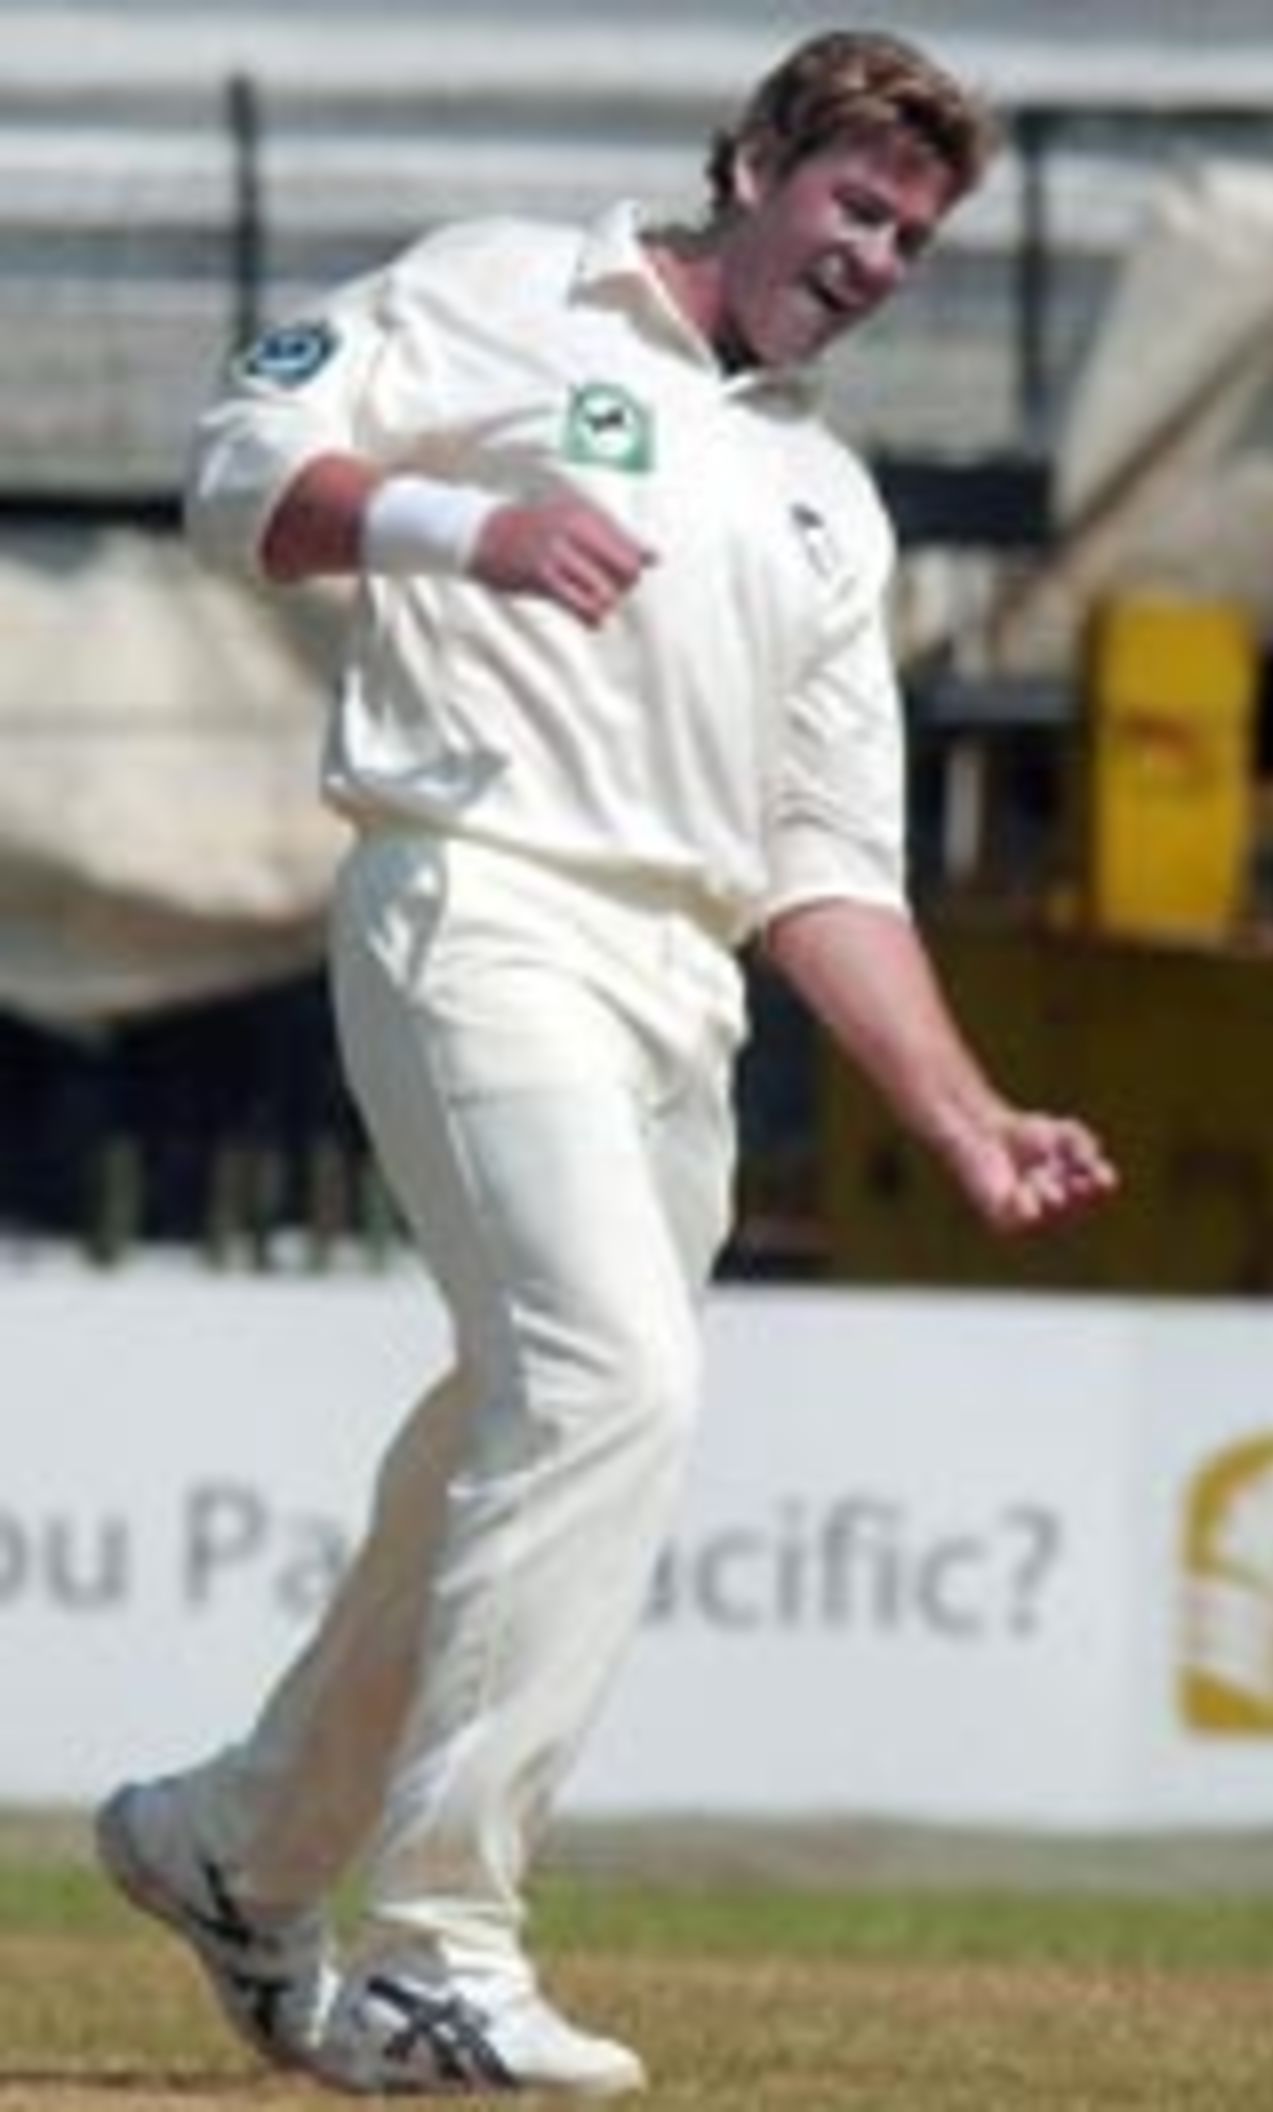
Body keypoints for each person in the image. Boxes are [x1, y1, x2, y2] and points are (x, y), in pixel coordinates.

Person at [95, 27, 1117, 2100]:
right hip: (478, 901)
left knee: (522, 1415)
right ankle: (435, 1950)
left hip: (681, 991)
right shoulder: (493, 283)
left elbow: (822, 861)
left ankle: (232, 1842)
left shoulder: (821, 498)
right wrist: (472, 532)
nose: (876, 258)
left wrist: (962, 1108)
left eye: (913, 237)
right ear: (751, 160)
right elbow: (231, 479)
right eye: (854, 205)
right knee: (610, 1382)